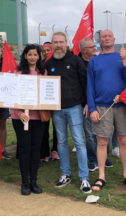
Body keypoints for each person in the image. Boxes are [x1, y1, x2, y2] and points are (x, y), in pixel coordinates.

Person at [87, 30, 126, 192]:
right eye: (104, 37)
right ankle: (101, 175)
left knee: (123, 140)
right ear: (99, 41)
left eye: (110, 36)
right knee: (102, 142)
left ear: (114, 39)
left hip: (122, 106)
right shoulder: (94, 61)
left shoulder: (122, 56)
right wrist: (92, 108)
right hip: (102, 106)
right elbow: (89, 86)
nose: (107, 38)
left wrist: (124, 60)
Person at [44, 32, 91, 194]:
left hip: (75, 108)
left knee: (79, 141)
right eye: (55, 42)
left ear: (66, 43)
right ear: (52, 44)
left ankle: (84, 177)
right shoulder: (48, 63)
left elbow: (85, 82)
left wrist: (86, 103)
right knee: (61, 142)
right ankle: (65, 174)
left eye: (61, 42)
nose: (58, 45)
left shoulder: (76, 60)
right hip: (57, 110)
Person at [11, 44, 47, 195]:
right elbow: (11, 96)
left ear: (39, 56)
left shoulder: (42, 73)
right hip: (21, 118)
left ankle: (34, 181)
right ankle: (24, 182)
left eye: (35, 54)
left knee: (35, 149)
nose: (33, 57)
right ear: (25, 56)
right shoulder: (18, 72)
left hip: (38, 117)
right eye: (30, 54)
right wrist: (19, 113)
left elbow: (46, 93)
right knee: (25, 149)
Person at [78, 38, 114, 171]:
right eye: (92, 47)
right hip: (87, 105)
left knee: (105, 132)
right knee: (90, 134)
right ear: (84, 50)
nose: (95, 49)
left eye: (95, 46)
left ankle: (105, 158)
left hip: (103, 103)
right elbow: (81, 86)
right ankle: (93, 159)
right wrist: (87, 103)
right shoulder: (78, 63)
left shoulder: (100, 60)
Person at [40, 41, 59, 162]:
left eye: (48, 50)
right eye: (44, 50)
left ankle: (55, 150)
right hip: (44, 99)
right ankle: (44, 152)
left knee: (57, 126)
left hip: (56, 98)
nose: (46, 52)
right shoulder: (40, 64)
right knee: (44, 125)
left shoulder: (57, 62)